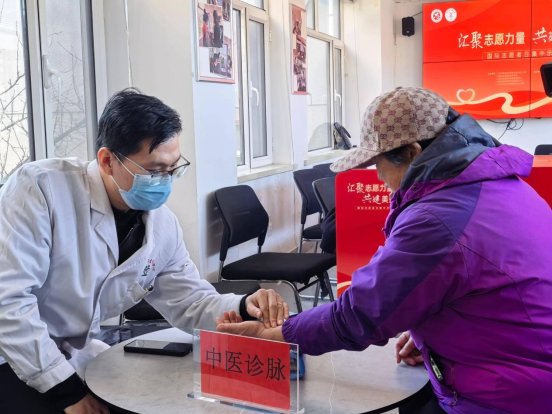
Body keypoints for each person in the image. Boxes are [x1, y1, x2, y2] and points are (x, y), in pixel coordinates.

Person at [217, 87, 552, 413]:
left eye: (378, 163)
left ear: (413, 153)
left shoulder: (436, 219)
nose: (378, 176)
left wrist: (274, 335)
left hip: (504, 397)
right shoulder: (499, 186)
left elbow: (359, 314)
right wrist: (430, 336)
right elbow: (490, 288)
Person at [0, 88, 289, 414]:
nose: (165, 181)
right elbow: (8, 303)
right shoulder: (40, 189)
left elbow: (191, 302)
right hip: (12, 352)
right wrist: (66, 393)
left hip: (72, 352)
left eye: (173, 168)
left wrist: (243, 305)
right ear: (107, 161)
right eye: (154, 171)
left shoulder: (161, 225)